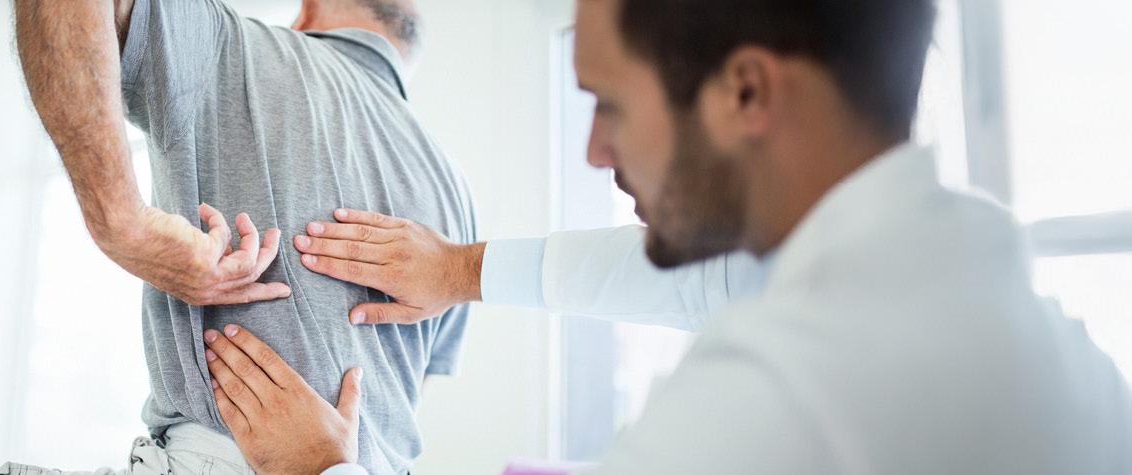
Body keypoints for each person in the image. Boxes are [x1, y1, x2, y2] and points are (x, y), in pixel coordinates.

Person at [200, 0, 1132, 473]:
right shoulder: (992, 298)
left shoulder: (790, 398)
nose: (598, 150)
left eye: (610, 103)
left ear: (746, 93)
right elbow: (695, 280)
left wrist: (321, 468)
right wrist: (460, 268)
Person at [6, 0, 479, 473]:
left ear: (307, 12)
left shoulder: (237, 47)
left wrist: (121, 223)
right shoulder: (457, 196)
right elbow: (405, 400)